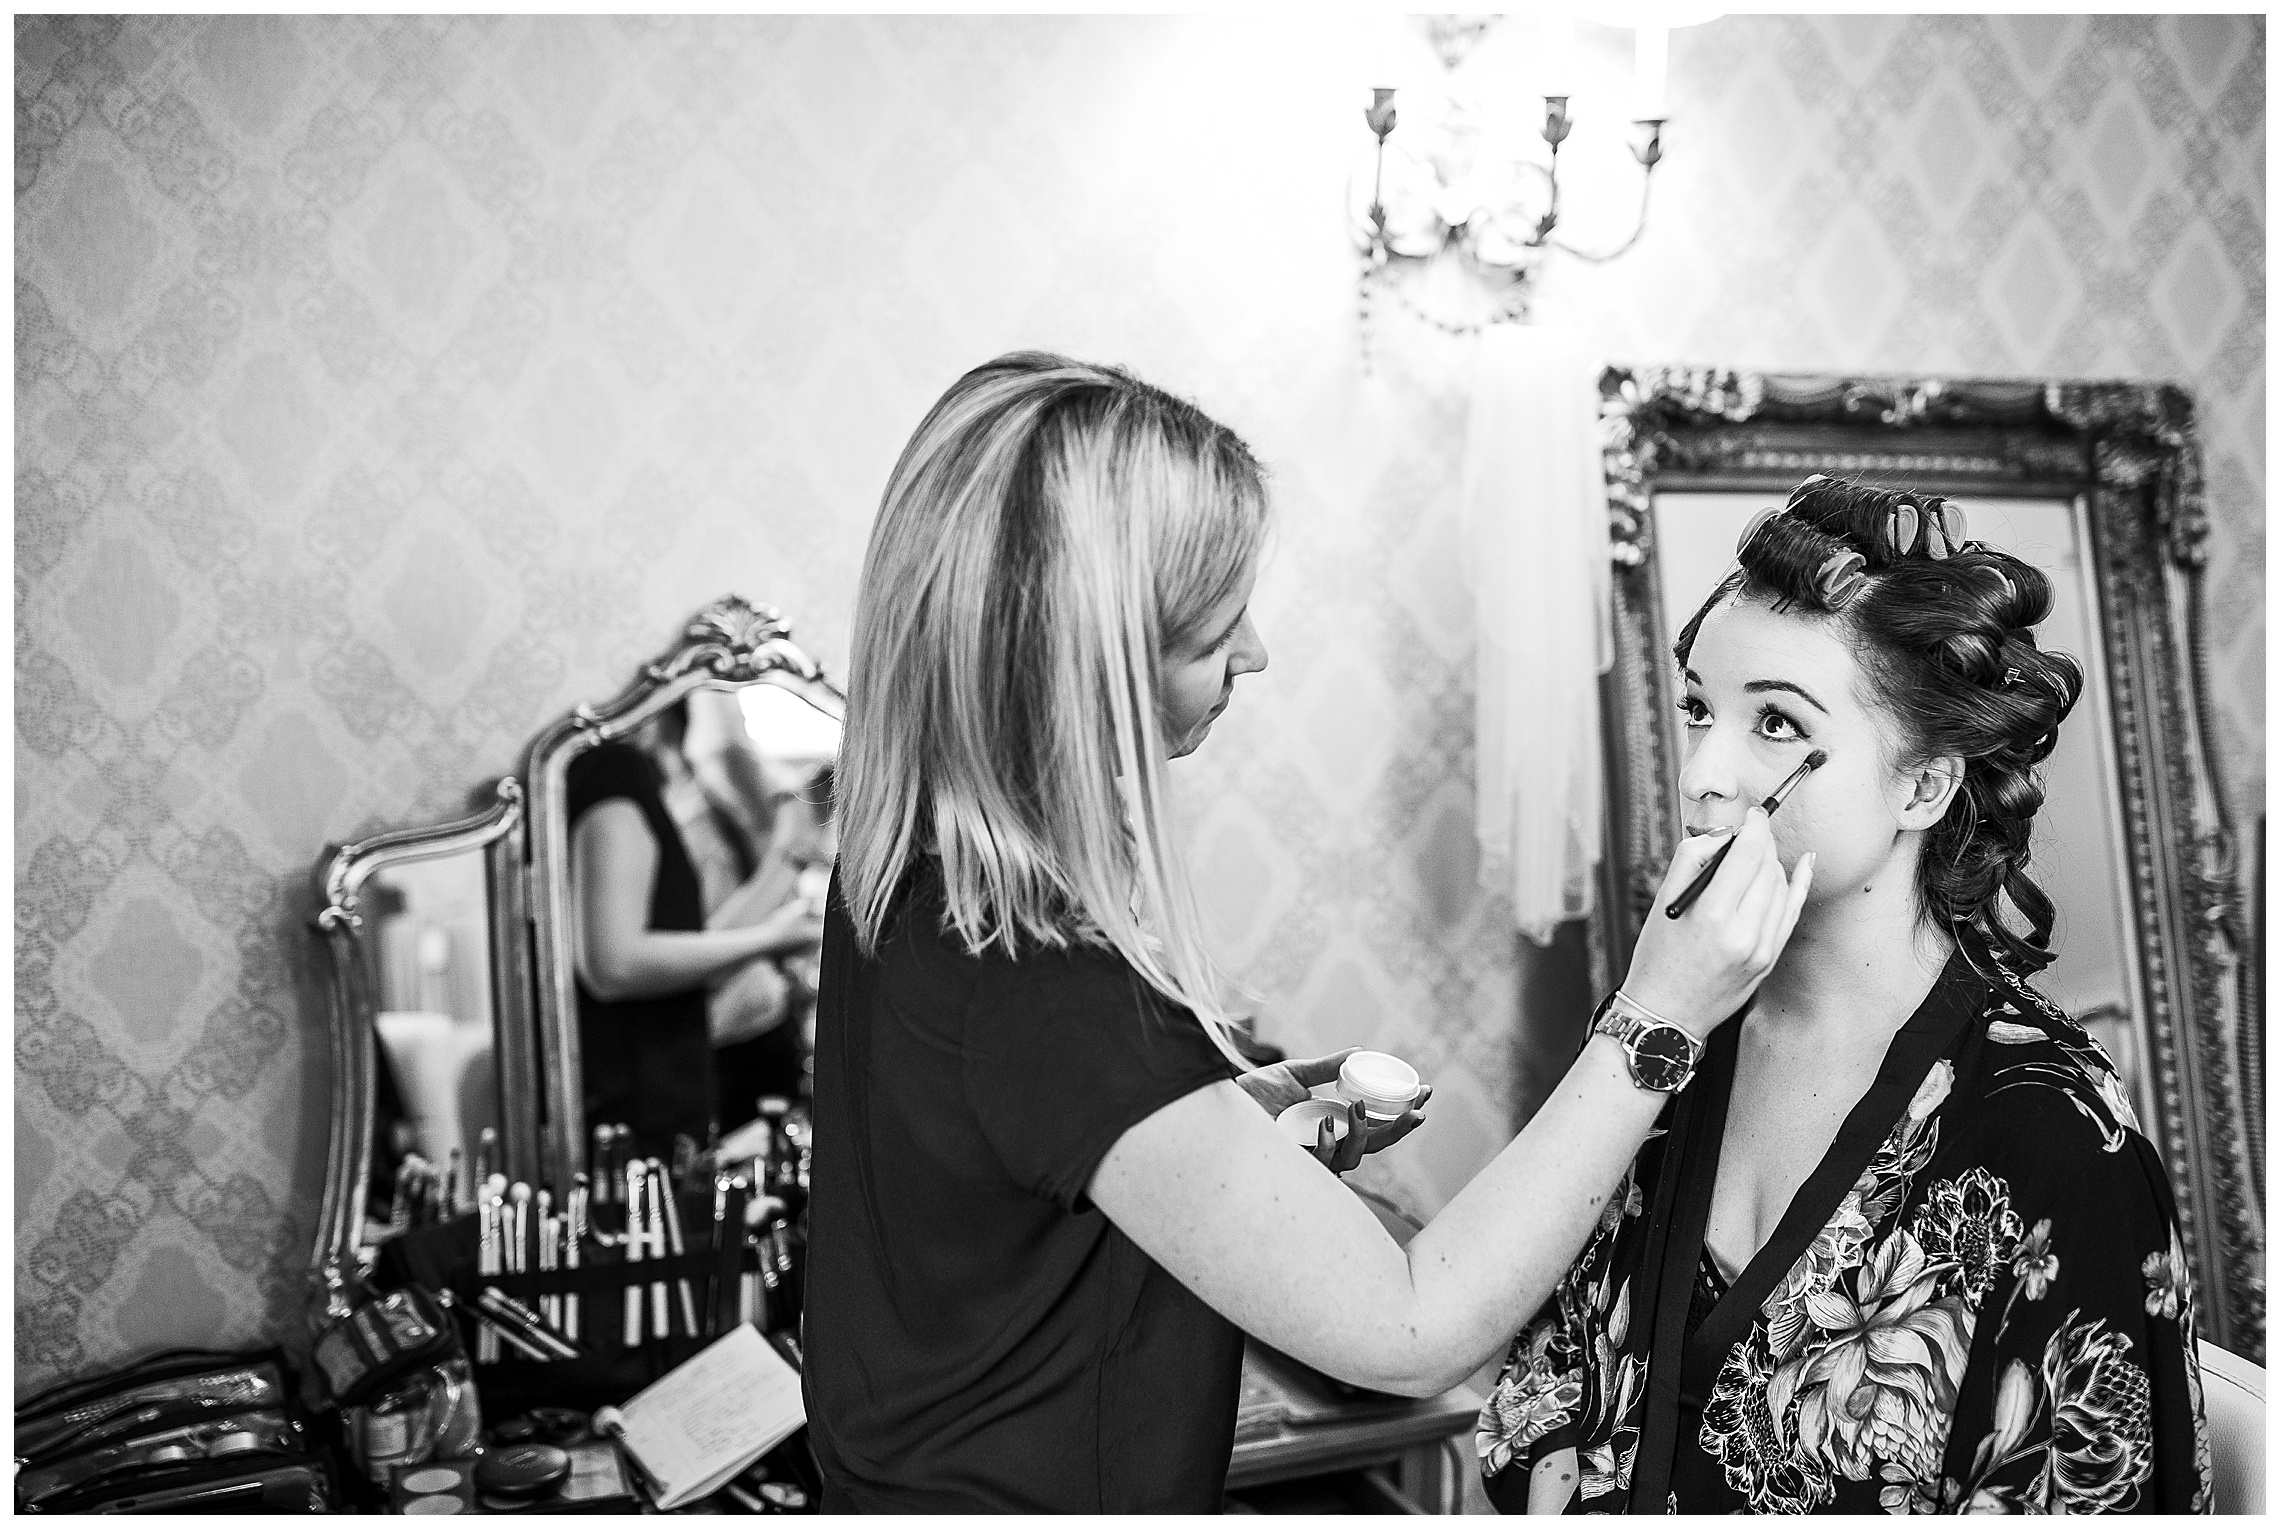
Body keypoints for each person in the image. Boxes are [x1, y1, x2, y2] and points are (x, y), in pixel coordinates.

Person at [801, 352, 1815, 1513]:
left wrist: (1232, 1123)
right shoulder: (1042, 979)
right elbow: (1412, 1327)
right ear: (1093, 665)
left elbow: (1042, 1162)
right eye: (1211, 630)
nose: (1256, 654)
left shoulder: (912, 865)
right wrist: (1655, 1017)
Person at [1476, 477, 2211, 1514]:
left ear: (1922, 786)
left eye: (1776, 722)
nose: (1704, 773)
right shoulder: (1669, 1029)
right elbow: (1545, 1384)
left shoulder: (2052, 1133)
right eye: (1699, 707)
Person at [567, 701, 825, 1164]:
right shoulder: (622, 781)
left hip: (722, 1046)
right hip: (681, 1059)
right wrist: (777, 913)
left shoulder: (677, 792)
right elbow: (624, 960)